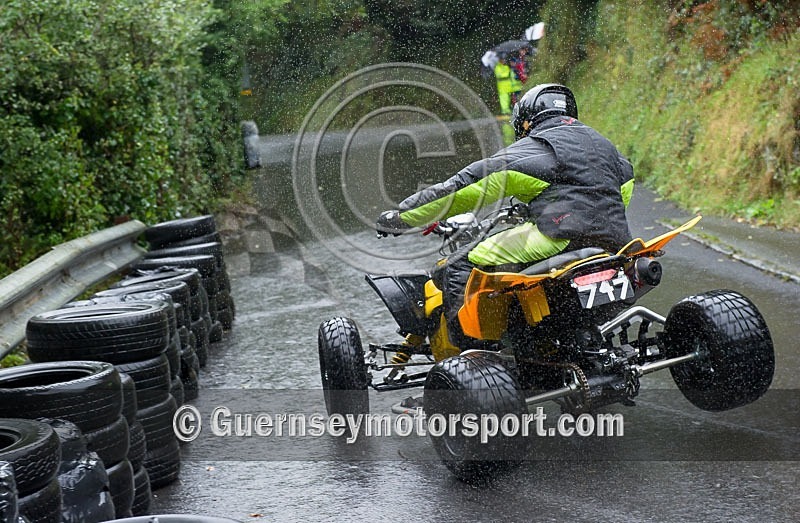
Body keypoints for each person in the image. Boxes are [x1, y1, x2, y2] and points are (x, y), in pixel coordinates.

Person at [376, 84, 636, 348]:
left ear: (526, 122)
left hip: (557, 237)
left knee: (459, 265)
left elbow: (466, 188)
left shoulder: (535, 148)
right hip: (614, 241)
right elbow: (621, 191)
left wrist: (404, 216)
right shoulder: (603, 145)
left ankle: (471, 351)